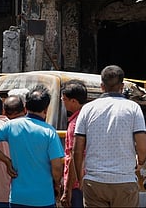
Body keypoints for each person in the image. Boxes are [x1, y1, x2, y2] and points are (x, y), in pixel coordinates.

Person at [73, 65, 146, 207]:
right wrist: (140, 162)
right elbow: (142, 146)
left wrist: (80, 178)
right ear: (122, 86)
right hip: (124, 181)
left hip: (94, 182)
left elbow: (77, 150)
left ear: (102, 86)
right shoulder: (133, 108)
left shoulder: (87, 109)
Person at [0, 86, 65, 208]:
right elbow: (56, 167)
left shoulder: (11, 126)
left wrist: (6, 161)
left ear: (25, 107)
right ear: (46, 109)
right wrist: (57, 184)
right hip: (43, 198)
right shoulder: (49, 132)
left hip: (17, 197)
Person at [61, 80, 87, 208]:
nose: (62, 101)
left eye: (64, 99)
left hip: (76, 183)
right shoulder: (89, 118)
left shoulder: (75, 124)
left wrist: (67, 190)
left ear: (74, 101)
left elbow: (74, 156)